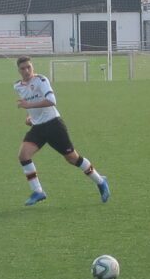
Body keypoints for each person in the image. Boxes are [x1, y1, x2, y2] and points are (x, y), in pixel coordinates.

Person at [14, 56, 110, 206]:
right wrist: (30, 117)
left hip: (54, 125)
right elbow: (32, 103)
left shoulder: (41, 80)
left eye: (29, 67)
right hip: (38, 127)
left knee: (72, 158)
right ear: (18, 70)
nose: (26, 71)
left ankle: (100, 180)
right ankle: (38, 191)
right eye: (23, 68)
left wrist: (28, 106)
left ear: (33, 67)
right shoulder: (18, 86)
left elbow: (52, 100)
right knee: (23, 155)